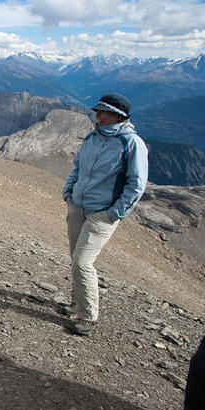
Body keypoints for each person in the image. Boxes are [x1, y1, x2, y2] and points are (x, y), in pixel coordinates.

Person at [62, 93, 148, 336]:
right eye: (97, 111)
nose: (96, 115)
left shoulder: (131, 143)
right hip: (78, 206)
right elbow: (78, 166)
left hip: (102, 213)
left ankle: (88, 317)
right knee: (75, 257)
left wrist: (116, 213)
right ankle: (75, 303)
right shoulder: (93, 137)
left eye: (103, 112)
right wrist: (68, 192)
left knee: (82, 262)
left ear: (118, 116)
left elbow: (136, 184)